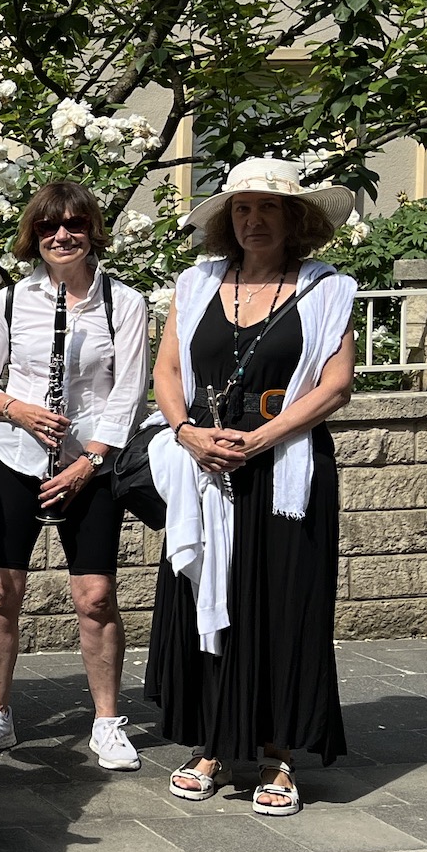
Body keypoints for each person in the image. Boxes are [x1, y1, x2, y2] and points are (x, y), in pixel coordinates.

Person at [146, 158, 357, 817]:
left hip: (284, 464)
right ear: (227, 219)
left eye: (268, 208)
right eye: (242, 208)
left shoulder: (326, 289)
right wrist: (186, 433)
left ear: (294, 219)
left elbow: (336, 385)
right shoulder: (196, 282)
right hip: (204, 463)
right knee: (210, 597)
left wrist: (263, 439)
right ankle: (210, 743)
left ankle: (279, 754)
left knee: (284, 608)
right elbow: (168, 370)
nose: (254, 220)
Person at [0, 182, 151, 769]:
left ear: (92, 229)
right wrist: (18, 409)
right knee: (0, 593)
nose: (61, 236)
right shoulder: (12, 302)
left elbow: (127, 397)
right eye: (48, 228)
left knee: (95, 596)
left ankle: (106, 722)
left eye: (73, 224)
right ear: (34, 237)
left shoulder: (126, 303)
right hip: (15, 459)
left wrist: (87, 462)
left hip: (89, 467)